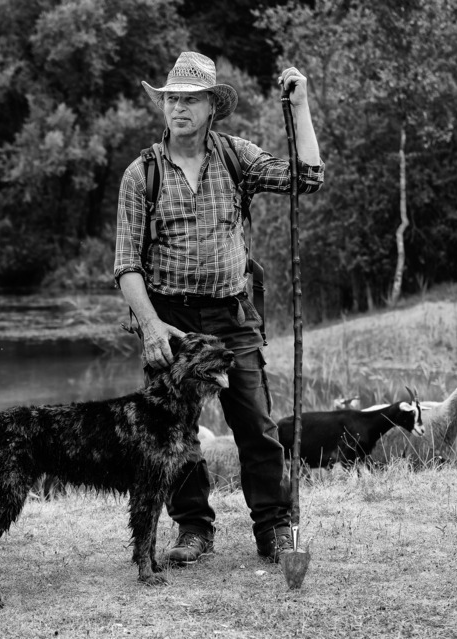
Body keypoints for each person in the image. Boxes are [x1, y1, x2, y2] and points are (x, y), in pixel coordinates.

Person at [113, 51, 324, 565]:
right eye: (172, 100)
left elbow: (308, 179)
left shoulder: (236, 157)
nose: (179, 108)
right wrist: (152, 327)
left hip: (232, 315)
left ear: (212, 106)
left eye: (190, 100)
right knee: (174, 432)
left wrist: (300, 110)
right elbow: (126, 266)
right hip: (172, 321)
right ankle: (193, 530)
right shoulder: (141, 175)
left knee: (254, 424)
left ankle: (274, 529)